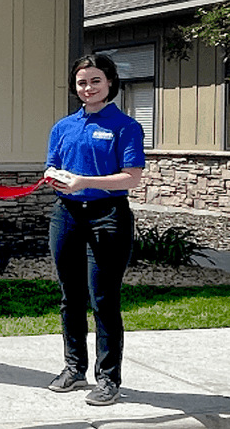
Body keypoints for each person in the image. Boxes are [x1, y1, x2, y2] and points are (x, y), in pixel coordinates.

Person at [44, 53, 145, 407]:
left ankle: (109, 378)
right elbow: (53, 167)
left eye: (95, 81)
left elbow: (131, 177)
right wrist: (55, 179)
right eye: (82, 82)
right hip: (67, 216)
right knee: (70, 297)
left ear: (110, 83)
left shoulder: (125, 127)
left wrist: (84, 181)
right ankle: (74, 368)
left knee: (103, 299)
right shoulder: (63, 127)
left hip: (108, 217)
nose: (88, 88)